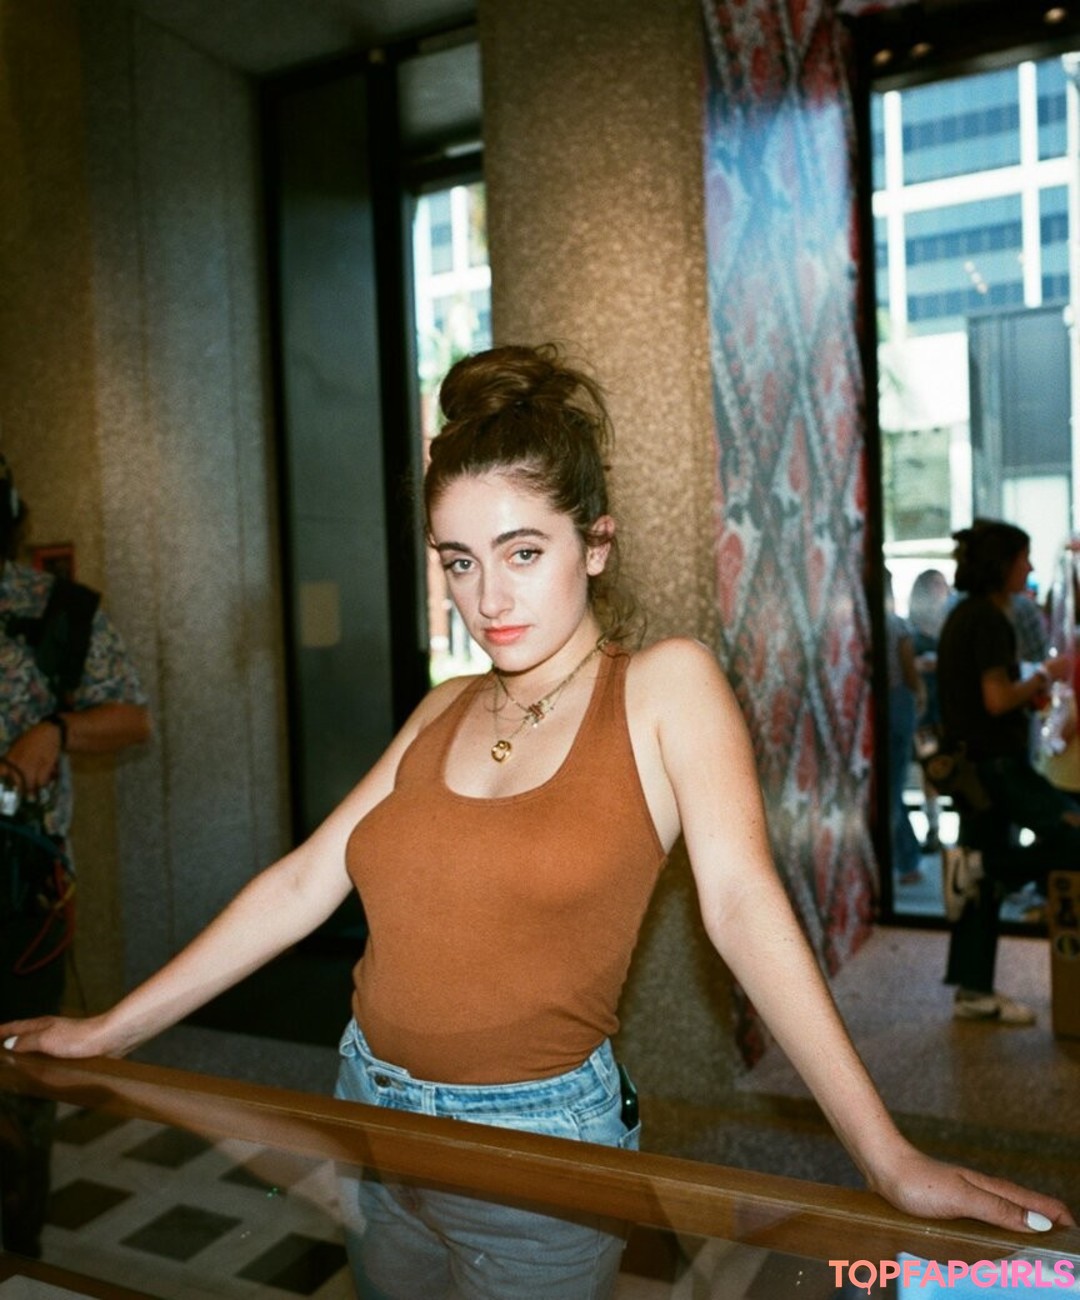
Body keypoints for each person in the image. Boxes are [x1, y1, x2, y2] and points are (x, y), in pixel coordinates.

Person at [0, 350, 1072, 1295]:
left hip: (539, 1144)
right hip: (366, 1106)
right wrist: (110, 1029)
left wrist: (885, 1156)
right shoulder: (441, 708)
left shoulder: (664, 686)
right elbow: (302, 883)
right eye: (458, 561)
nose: (487, 599)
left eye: (522, 552)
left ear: (595, 543)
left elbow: (743, 906)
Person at [0, 454, 150, 1257]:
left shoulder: (54, 611)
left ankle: (16, 1252)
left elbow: (132, 719)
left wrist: (55, 732)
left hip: (20, 897)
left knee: (19, 1086)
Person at [936, 519, 1080, 1026]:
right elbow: (996, 699)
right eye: (1024, 559)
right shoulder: (989, 620)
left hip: (972, 766)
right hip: (995, 765)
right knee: (1070, 834)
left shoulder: (965, 615)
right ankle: (984, 865)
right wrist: (1044, 675)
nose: (1031, 567)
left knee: (978, 889)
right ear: (1002, 565)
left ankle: (973, 991)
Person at [884, 572, 924, 884]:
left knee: (891, 787)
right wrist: (920, 693)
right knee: (894, 787)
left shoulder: (864, 623)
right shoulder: (897, 625)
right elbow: (909, 670)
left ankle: (905, 859)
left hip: (883, 706)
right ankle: (906, 860)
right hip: (898, 706)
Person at [908, 567, 951, 853]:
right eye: (934, 585)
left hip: (950, 707)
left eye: (942, 584)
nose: (939, 590)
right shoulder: (913, 627)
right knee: (931, 767)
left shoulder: (951, 623)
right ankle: (933, 826)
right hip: (925, 710)